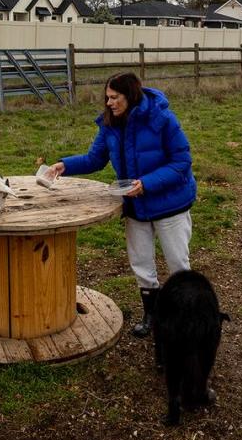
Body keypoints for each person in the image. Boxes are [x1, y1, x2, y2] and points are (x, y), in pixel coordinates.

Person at [47, 72, 197, 338]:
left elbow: (181, 161)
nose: (109, 103)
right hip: (136, 205)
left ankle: (184, 319)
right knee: (141, 262)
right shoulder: (110, 124)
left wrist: (147, 183)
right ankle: (151, 314)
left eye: (114, 98)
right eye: (107, 98)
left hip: (170, 203)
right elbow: (95, 159)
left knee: (177, 262)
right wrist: (65, 165)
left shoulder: (162, 119)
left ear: (131, 95)